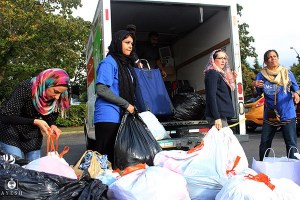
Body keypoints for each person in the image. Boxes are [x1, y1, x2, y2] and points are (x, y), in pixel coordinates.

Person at [0, 68, 70, 161]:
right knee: (17, 169)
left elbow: (48, 115)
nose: (57, 97)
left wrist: (52, 125)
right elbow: (6, 115)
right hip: (11, 133)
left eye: (60, 93)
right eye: (56, 92)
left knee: (34, 169)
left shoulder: (56, 97)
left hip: (32, 137)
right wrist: (35, 121)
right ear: (46, 84)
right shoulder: (26, 88)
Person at [94, 30, 136, 168]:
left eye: (131, 43)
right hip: (108, 117)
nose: (130, 46)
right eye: (127, 43)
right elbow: (101, 89)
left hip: (120, 116)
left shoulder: (125, 64)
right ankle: (102, 187)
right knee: (106, 160)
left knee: (119, 160)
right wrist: (126, 104)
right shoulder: (109, 63)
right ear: (118, 43)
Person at [254, 49, 300, 161]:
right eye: (270, 57)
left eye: (275, 56)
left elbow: (297, 89)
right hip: (270, 115)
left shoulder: (287, 73)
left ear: (278, 59)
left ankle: (293, 169)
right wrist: (254, 86)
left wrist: (297, 95)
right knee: (265, 143)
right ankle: (262, 166)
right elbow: (257, 93)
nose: (273, 58)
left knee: (291, 144)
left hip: (287, 113)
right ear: (265, 61)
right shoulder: (261, 75)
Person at [204, 49, 236, 130]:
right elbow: (211, 96)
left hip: (221, 116)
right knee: (225, 141)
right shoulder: (212, 73)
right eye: (220, 58)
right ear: (213, 60)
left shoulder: (220, 74)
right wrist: (216, 117)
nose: (223, 61)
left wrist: (232, 79)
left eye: (225, 58)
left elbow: (222, 93)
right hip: (217, 116)